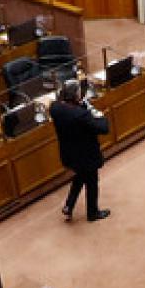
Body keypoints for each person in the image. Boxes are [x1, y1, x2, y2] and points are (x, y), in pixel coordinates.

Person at [50, 79, 111, 222]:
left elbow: (68, 110)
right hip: (86, 155)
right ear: (76, 96)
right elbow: (104, 128)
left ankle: (69, 205)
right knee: (92, 181)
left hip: (68, 153)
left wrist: (80, 104)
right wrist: (96, 112)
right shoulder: (81, 115)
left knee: (80, 176)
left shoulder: (55, 108)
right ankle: (92, 213)